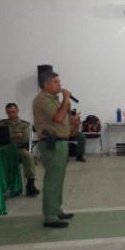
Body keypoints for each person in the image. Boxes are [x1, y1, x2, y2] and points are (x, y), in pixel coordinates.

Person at [33, 71, 75, 228]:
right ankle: (50, 216)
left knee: (59, 178)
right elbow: (57, 118)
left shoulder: (53, 99)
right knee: (52, 179)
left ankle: (56, 210)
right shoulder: (43, 99)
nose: (60, 84)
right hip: (53, 144)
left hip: (60, 142)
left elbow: (61, 118)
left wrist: (72, 118)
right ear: (46, 84)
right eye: (56, 82)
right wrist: (65, 99)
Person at [0, 103, 39, 197]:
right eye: (8, 112)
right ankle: (2, 185)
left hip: (18, 149)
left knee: (28, 156)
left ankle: (30, 185)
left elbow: (24, 138)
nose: (11, 114)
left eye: (13, 112)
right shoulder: (1, 123)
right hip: (5, 149)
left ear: (17, 111)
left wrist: (9, 135)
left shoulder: (25, 124)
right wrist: (15, 135)